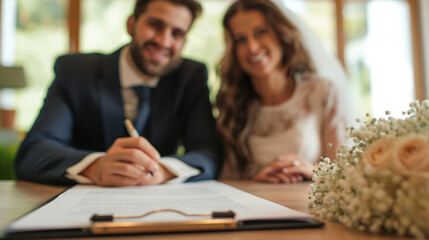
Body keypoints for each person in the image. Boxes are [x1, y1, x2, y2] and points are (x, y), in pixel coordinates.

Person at [15, 0, 222, 186]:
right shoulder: (76, 72)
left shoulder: (190, 77)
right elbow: (34, 152)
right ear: (131, 24)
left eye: (177, 33)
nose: (164, 41)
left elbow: (208, 153)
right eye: (155, 25)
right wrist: (96, 167)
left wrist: (162, 173)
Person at [216, 0, 349, 183]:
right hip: (256, 205)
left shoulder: (323, 91)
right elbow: (227, 178)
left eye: (261, 32)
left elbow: (343, 171)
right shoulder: (231, 102)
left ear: (280, 34)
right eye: (241, 39)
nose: (252, 47)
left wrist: (311, 169)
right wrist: (257, 179)